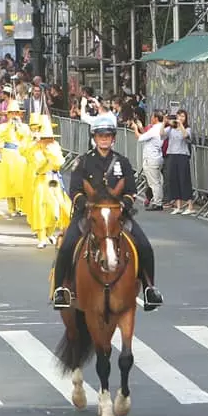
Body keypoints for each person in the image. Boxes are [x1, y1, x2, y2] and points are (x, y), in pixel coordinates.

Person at [52, 115, 163, 311]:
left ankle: (149, 289)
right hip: (88, 214)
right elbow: (75, 190)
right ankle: (61, 288)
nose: (104, 140)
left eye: (108, 136)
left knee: (144, 245)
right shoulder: (83, 162)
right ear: (94, 138)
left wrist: (123, 206)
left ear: (113, 138)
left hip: (117, 215)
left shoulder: (123, 162)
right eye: (100, 136)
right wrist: (86, 205)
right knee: (68, 245)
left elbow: (130, 191)